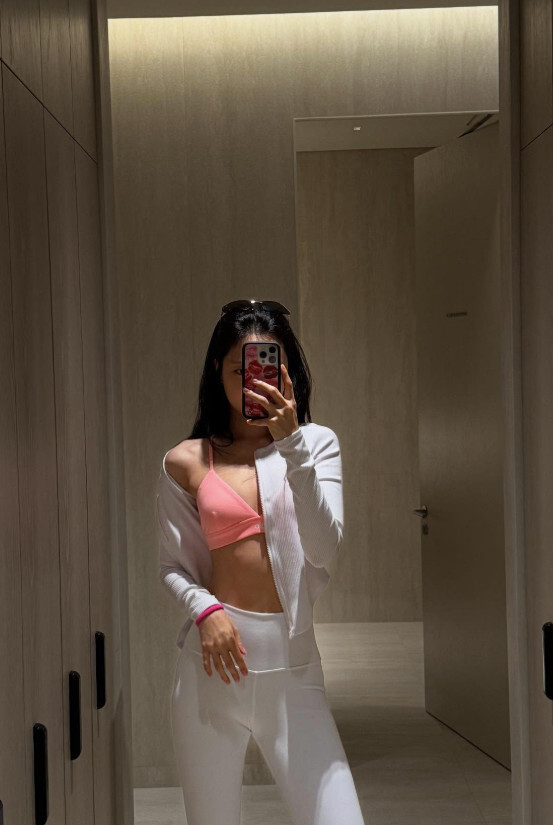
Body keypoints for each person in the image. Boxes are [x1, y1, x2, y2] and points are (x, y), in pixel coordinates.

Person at [156, 299, 366, 825]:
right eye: (239, 370)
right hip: (211, 671)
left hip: (294, 671)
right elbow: (172, 567)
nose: (253, 383)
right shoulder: (186, 460)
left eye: (269, 367)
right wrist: (206, 611)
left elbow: (323, 549)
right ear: (217, 370)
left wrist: (291, 442)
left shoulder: (316, 444)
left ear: (287, 371)